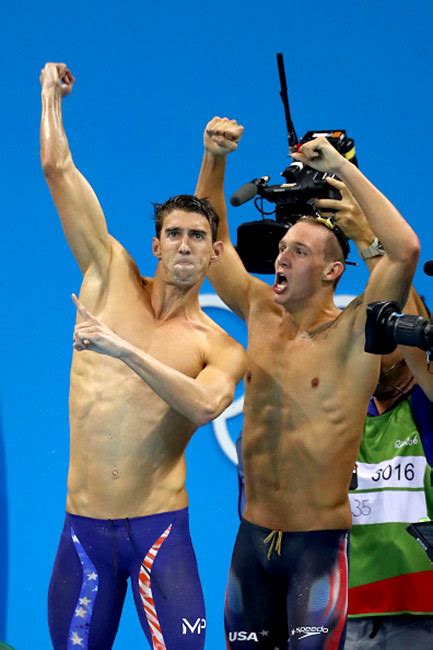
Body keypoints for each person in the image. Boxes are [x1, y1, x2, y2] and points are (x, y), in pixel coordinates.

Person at [40, 64, 246, 650]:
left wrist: (119, 348)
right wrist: (50, 97)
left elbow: (208, 405)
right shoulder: (107, 274)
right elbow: (58, 169)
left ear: (213, 253)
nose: (184, 244)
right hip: (82, 533)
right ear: (155, 244)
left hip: (160, 533)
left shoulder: (219, 345)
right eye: (174, 234)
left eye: (198, 236)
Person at [196, 116, 420, 648]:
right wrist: (214, 157)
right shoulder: (258, 310)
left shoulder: (356, 333)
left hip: (315, 551)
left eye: (298, 251)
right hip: (250, 544)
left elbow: (405, 251)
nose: (281, 255)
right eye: (282, 247)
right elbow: (216, 242)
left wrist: (341, 168)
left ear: (332, 271)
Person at [314, 194, 433, 648]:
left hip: (421, 616)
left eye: (385, 338)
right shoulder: (341, 419)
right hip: (346, 616)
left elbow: (415, 327)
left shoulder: (425, 411)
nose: (373, 350)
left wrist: (367, 237)